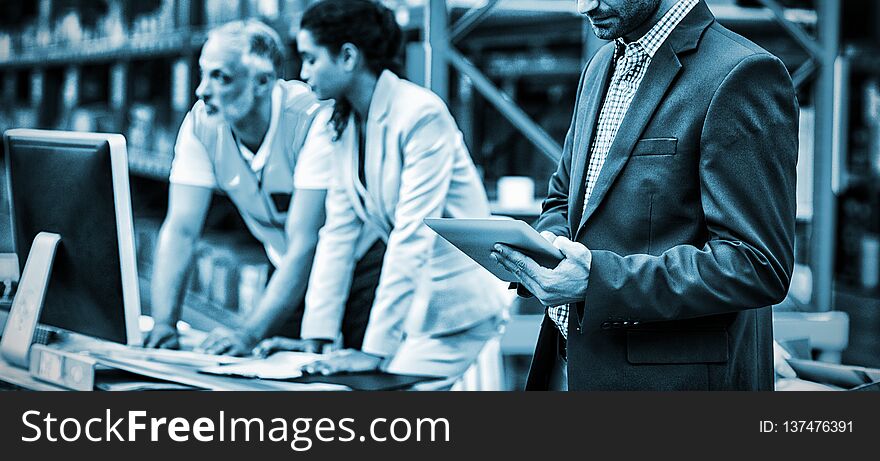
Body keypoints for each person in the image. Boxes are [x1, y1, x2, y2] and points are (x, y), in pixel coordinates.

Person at [491, 0, 798, 390]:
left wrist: (597, 282)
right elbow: (564, 199)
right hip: (573, 369)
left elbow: (755, 265)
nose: (584, 6)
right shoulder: (601, 66)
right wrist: (546, 250)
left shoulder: (742, 73)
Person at [266, 0, 507, 387]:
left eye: (310, 59)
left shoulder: (420, 114)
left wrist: (372, 351)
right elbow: (338, 236)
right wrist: (316, 339)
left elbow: (412, 237)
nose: (303, 73)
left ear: (348, 56)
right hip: (415, 313)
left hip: (456, 314)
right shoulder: (341, 122)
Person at [144, 20, 379, 355]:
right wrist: (163, 325)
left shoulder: (314, 119)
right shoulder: (203, 122)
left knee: (358, 377)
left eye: (220, 77)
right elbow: (181, 229)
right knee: (273, 375)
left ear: (263, 81)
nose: (201, 90)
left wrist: (247, 333)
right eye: (202, 73)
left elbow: (306, 241)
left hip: (358, 263)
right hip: (286, 265)